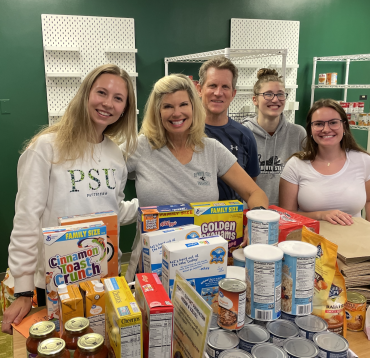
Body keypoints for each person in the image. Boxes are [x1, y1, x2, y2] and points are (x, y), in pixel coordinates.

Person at [2, 64, 139, 334]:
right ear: (86, 94)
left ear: (125, 108)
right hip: (55, 281)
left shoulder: (116, 155)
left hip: (103, 275)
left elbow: (111, 210)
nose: (108, 103)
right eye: (102, 92)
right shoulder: (46, 147)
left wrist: (148, 207)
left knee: (97, 346)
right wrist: (23, 290)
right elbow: (27, 219)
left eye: (118, 98)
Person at [124, 74, 269, 281]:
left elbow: (254, 192)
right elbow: (103, 169)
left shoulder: (211, 149)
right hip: (150, 265)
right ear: (157, 111)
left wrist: (257, 222)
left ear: (194, 107)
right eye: (167, 106)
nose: (177, 113)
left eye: (184, 104)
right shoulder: (140, 147)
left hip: (200, 264)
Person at [279, 98, 370, 226]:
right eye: (318, 124)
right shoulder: (295, 165)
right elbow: (286, 214)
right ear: (310, 129)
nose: (326, 129)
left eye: (333, 122)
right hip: (309, 240)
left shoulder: (365, 161)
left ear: (344, 126)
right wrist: (321, 215)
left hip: (355, 240)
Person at [197, 56, 260, 201]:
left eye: (225, 87)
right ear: (199, 89)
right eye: (212, 85)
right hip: (192, 220)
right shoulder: (184, 133)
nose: (218, 93)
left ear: (233, 94)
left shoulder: (244, 135)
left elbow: (250, 186)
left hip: (232, 220)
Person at [243, 68, 306, 206]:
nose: (275, 99)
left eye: (280, 94)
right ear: (255, 99)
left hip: (289, 213)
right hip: (250, 212)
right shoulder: (243, 133)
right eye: (268, 94)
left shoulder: (298, 134)